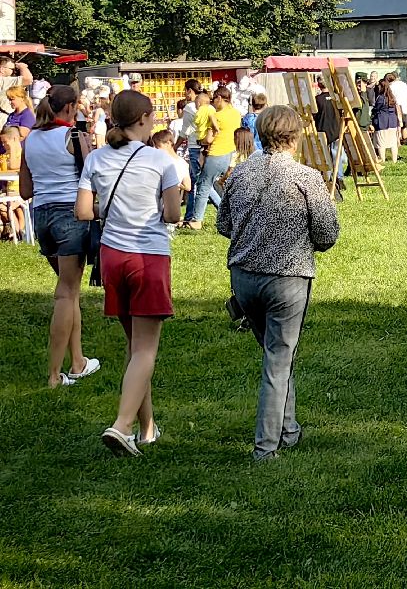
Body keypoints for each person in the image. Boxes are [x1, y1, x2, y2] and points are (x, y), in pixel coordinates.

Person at [218, 105, 340, 462]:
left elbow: (224, 224)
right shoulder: (306, 178)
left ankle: (288, 430)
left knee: (277, 356)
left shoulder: (240, 174)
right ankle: (266, 448)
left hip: (244, 278)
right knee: (278, 360)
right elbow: (328, 233)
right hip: (287, 278)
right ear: (296, 136)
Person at [77, 90, 184, 455]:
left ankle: (146, 427)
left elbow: (84, 211)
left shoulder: (95, 160)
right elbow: (172, 215)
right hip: (148, 255)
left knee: (135, 347)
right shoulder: (160, 160)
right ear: (143, 119)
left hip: (111, 255)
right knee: (145, 349)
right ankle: (121, 426)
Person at [19, 85, 101, 388]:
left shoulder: (31, 140)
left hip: (42, 216)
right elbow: (93, 174)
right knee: (66, 294)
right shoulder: (74, 137)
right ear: (70, 109)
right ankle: (54, 374)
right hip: (70, 215)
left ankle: (78, 361)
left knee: (70, 292)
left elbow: (25, 190)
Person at [185, 87, 241, 230]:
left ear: (219, 98)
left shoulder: (217, 116)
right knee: (225, 187)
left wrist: (199, 141)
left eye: (214, 100)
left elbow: (208, 139)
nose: (212, 103)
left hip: (215, 154)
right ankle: (231, 216)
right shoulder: (236, 114)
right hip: (229, 155)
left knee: (204, 186)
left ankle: (197, 220)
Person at [312, 80, 346, 191]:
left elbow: (314, 116)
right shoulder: (336, 98)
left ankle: (328, 177)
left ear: (319, 85)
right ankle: (339, 177)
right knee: (337, 155)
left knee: (325, 156)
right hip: (336, 130)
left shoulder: (317, 99)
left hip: (323, 130)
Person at [370, 80, 401, 164]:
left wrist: (372, 116)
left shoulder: (381, 97)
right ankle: (394, 160)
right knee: (393, 142)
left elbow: (376, 109)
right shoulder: (392, 97)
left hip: (382, 122)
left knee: (381, 142)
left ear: (381, 86)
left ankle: (382, 160)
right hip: (392, 121)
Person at [387, 71, 407, 148]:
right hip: (404, 106)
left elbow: (391, 97)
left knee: (397, 125)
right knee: (404, 125)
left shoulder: (391, 86)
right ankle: (404, 140)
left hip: (396, 107)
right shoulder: (404, 85)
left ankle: (398, 140)